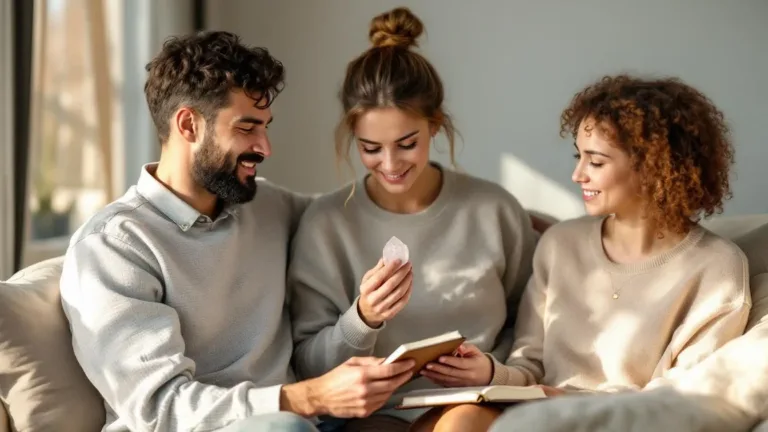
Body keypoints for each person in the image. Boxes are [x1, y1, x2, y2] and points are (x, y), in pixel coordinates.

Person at [58, 31, 415, 432]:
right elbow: (162, 408)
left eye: (265, 127)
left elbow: (347, 216)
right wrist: (310, 396)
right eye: (247, 128)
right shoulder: (114, 247)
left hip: (304, 421)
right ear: (188, 124)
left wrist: (400, 169)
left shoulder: (266, 206)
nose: (265, 147)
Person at [411, 75, 752, 432]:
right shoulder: (560, 244)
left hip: (623, 423)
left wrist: (569, 400)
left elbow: (682, 399)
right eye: (579, 156)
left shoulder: (718, 269)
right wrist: (490, 372)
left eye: (596, 162)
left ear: (654, 168)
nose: (577, 175)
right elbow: (529, 367)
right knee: (458, 422)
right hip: (534, 416)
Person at [286, 7, 538, 430]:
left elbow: (532, 328)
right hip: (376, 410)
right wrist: (361, 319)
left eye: (407, 144)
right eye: (370, 148)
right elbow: (308, 363)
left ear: (435, 126)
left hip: (472, 402)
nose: (389, 164)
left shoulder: (493, 211)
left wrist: (494, 372)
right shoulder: (327, 225)